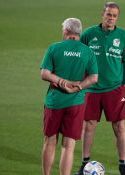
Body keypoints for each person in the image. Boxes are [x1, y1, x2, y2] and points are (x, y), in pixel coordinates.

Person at [75, 2, 125, 175]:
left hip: (115, 89)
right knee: (89, 125)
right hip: (92, 89)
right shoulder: (88, 34)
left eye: (114, 15)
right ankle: (85, 163)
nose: (111, 18)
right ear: (103, 14)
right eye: (108, 14)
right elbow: (80, 58)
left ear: (117, 17)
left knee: (119, 126)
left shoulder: (123, 36)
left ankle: (123, 165)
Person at [40, 18, 98, 175]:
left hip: (54, 101)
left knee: (50, 141)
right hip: (76, 103)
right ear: (78, 33)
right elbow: (94, 78)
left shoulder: (54, 48)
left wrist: (61, 81)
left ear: (65, 31)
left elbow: (44, 74)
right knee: (69, 145)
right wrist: (79, 86)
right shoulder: (88, 51)